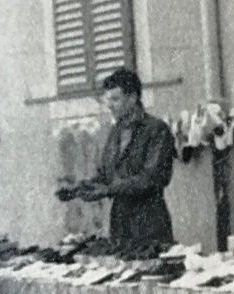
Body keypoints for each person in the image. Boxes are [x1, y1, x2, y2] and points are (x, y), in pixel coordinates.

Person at [68, 69, 176, 246]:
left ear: (132, 98)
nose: (109, 105)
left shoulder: (157, 130)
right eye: (107, 100)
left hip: (149, 224)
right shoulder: (115, 132)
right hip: (120, 225)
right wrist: (80, 189)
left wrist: (109, 190)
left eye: (115, 99)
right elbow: (105, 175)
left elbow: (152, 178)